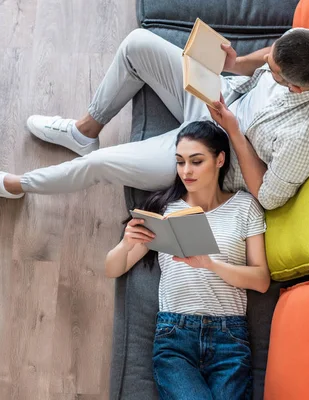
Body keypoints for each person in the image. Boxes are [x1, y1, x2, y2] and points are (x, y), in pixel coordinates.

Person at [0, 27, 309, 210]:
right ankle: (85, 130)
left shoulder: (302, 137)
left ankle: (12, 185)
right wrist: (238, 63)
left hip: (213, 149)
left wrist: (234, 132)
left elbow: (269, 197)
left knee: (100, 165)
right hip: (219, 96)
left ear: (297, 89)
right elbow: (274, 52)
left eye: (273, 73)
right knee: (137, 44)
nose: (268, 66)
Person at [105, 120, 269, 399]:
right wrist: (126, 242)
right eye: (180, 162)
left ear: (220, 160)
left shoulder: (245, 206)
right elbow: (113, 268)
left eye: (196, 161)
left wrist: (210, 264)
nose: (186, 171)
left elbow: (262, 280)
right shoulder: (164, 209)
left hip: (229, 336)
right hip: (175, 336)